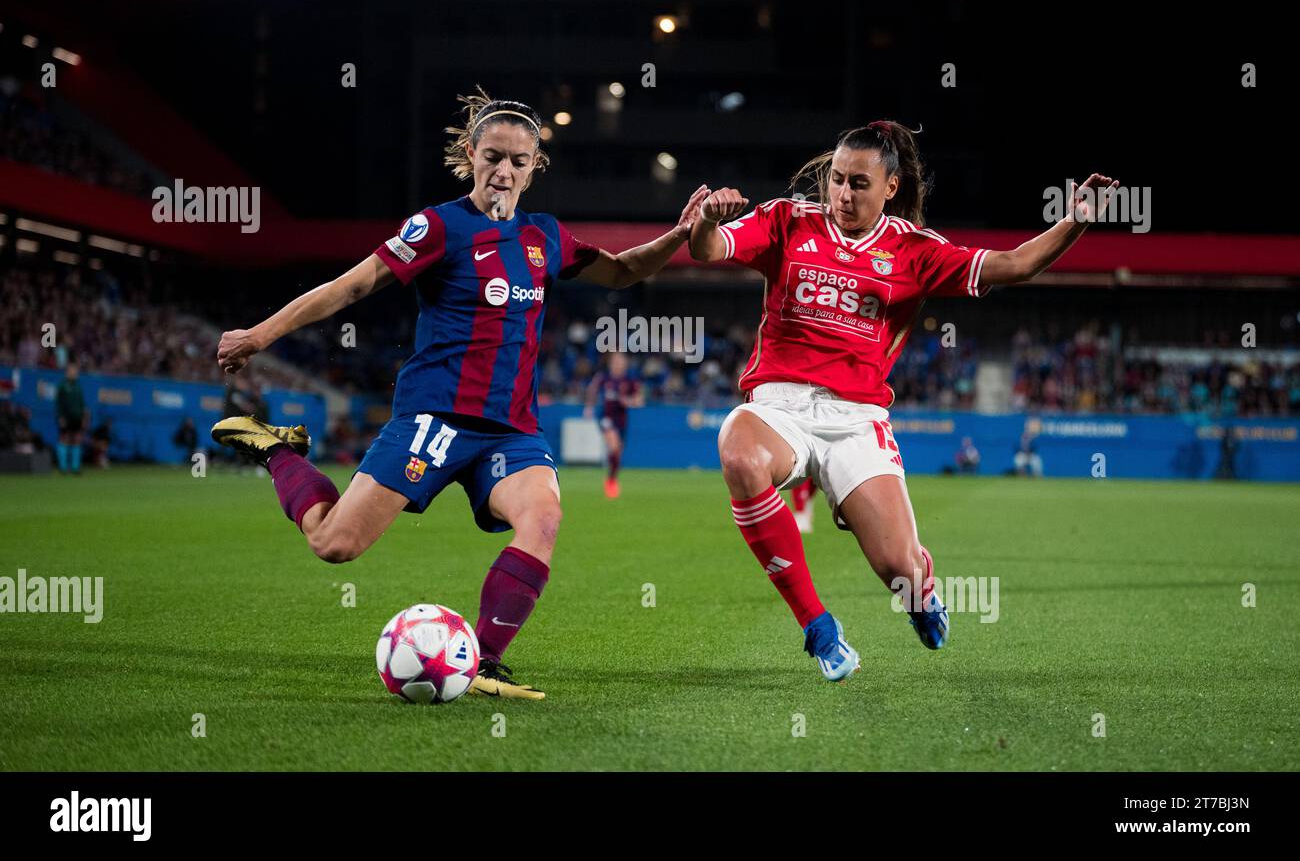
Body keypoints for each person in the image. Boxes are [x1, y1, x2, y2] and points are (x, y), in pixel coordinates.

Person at [211, 91, 708, 700]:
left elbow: (624, 270)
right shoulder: (439, 226)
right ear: (470, 154)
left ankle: (485, 663)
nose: (503, 171)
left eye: (517, 161)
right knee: (333, 544)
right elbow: (352, 287)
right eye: (492, 156)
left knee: (544, 516)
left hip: (511, 430)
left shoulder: (544, 237)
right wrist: (260, 335)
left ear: (534, 167)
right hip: (436, 419)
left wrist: (683, 233)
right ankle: (280, 452)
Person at [688, 120, 1115, 680]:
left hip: (857, 419)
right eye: (835, 180)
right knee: (739, 452)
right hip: (779, 406)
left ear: (890, 187)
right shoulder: (787, 221)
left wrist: (1076, 220)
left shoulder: (914, 250)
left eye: (858, 183)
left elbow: (1014, 265)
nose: (842, 194)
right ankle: (819, 629)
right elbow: (709, 248)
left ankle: (919, 591)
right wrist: (705, 223)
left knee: (897, 568)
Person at [583, 352, 644, 498]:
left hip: (621, 419)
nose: (618, 364)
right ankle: (611, 483)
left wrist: (629, 401)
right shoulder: (603, 378)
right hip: (606, 417)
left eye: (621, 361)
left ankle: (611, 478)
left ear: (625, 364)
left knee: (618, 453)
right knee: (614, 446)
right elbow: (592, 390)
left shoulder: (630, 381)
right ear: (610, 363)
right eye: (615, 361)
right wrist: (589, 407)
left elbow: (640, 400)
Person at [55, 362, 86, 475]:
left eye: (76, 371)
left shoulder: (78, 386)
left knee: (77, 440)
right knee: (64, 439)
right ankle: (63, 467)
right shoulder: (62, 386)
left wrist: (83, 417)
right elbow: (58, 403)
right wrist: (60, 417)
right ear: (67, 373)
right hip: (66, 417)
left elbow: (82, 403)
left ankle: (75, 467)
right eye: (73, 371)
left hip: (77, 417)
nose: (75, 373)